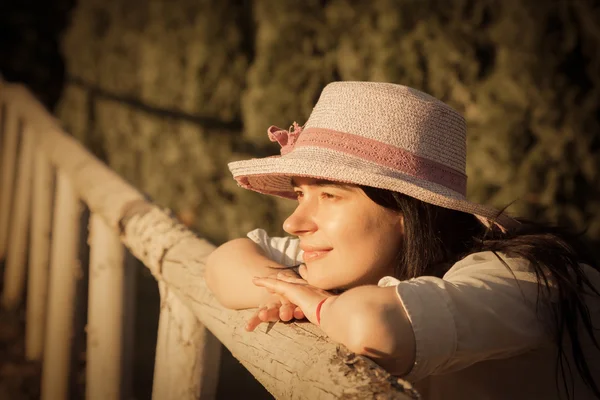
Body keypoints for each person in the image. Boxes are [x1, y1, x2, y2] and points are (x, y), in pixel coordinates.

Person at [205, 81, 600, 399]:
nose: (293, 223)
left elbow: (371, 326)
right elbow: (224, 262)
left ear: (406, 214)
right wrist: (288, 287)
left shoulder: (512, 279)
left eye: (329, 195)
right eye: (300, 194)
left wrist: (318, 305)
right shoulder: (362, 257)